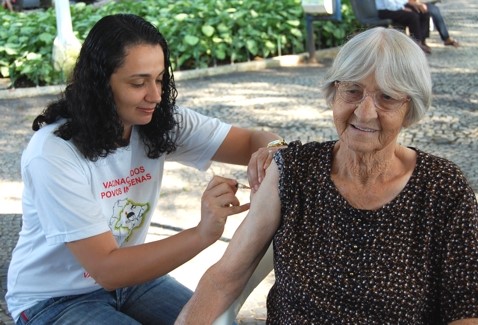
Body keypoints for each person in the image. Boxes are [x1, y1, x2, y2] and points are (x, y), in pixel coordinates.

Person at [176, 27, 478, 324]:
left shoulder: (442, 189)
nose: (364, 112)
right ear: (334, 92)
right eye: (352, 90)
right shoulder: (293, 172)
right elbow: (224, 279)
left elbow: (464, 311)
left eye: (387, 97)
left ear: (409, 106)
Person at [6, 14, 283, 325]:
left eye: (160, 79)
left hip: (134, 282)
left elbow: (249, 140)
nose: (155, 95)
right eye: (138, 83)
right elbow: (107, 270)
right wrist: (203, 233)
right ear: (99, 85)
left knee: (215, 321)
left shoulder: (158, 120)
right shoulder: (53, 153)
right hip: (55, 298)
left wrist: (271, 153)